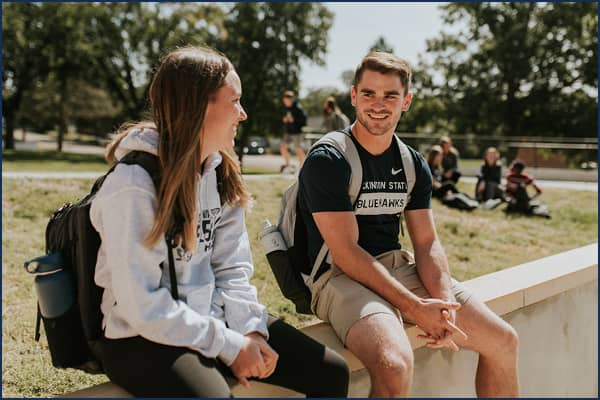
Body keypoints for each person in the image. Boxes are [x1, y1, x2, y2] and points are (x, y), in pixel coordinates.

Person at [90, 46, 349, 398]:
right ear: (198, 105)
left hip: (212, 317)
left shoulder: (219, 171)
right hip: (140, 335)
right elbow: (143, 306)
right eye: (235, 101)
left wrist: (252, 330)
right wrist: (228, 345)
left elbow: (231, 268)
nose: (242, 114)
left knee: (330, 372)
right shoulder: (133, 185)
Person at [297, 51, 519, 397]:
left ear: (407, 101)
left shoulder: (412, 163)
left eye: (390, 95)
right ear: (353, 96)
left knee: (504, 341)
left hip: (395, 267)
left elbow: (427, 242)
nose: (378, 104)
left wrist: (444, 307)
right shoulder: (328, 159)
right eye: (368, 93)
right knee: (394, 364)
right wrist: (415, 307)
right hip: (338, 276)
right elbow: (345, 251)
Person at [426, 145, 478, 211]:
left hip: (439, 188)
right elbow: (433, 182)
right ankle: (468, 199)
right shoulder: (428, 166)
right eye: (440, 155)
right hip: (433, 191)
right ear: (434, 156)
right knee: (449, 184)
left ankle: (472, 200)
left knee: (454, 182)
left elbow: (440, 179)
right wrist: (445, 189)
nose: (441, 157)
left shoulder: (437, 167)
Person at [280, 90, 307, 173]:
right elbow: (284, 118)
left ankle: (303, 166)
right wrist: (285, 120)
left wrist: (293, 120)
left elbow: (304, 121)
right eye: (284, 101)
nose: (285, 102)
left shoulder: (298, 108)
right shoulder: (286, 108)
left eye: (286, 101)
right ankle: (288, 165)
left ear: (291, 100)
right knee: (283, 148)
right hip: (288, 131)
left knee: (298, 149)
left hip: (297, 132)